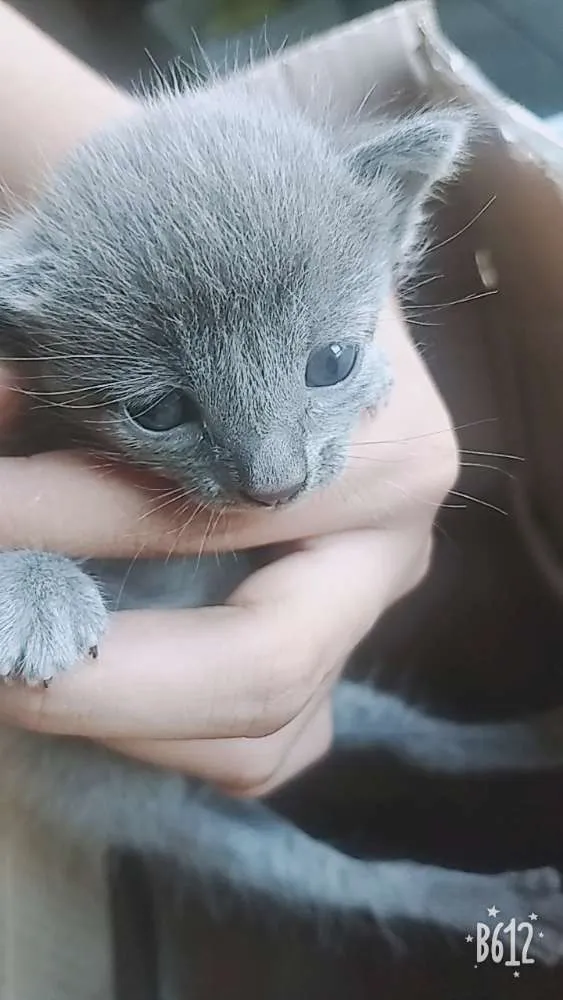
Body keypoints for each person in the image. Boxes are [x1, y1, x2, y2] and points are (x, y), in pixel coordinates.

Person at [0, 2, 457, 796]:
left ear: (400, 213)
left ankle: (471, 750)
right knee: (139, 812)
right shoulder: (41, 346)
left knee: (353, 718)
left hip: (230, 655)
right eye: (162, 411)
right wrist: (25, 572)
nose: (271, 476)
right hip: (105, 752)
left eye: (330, 362)